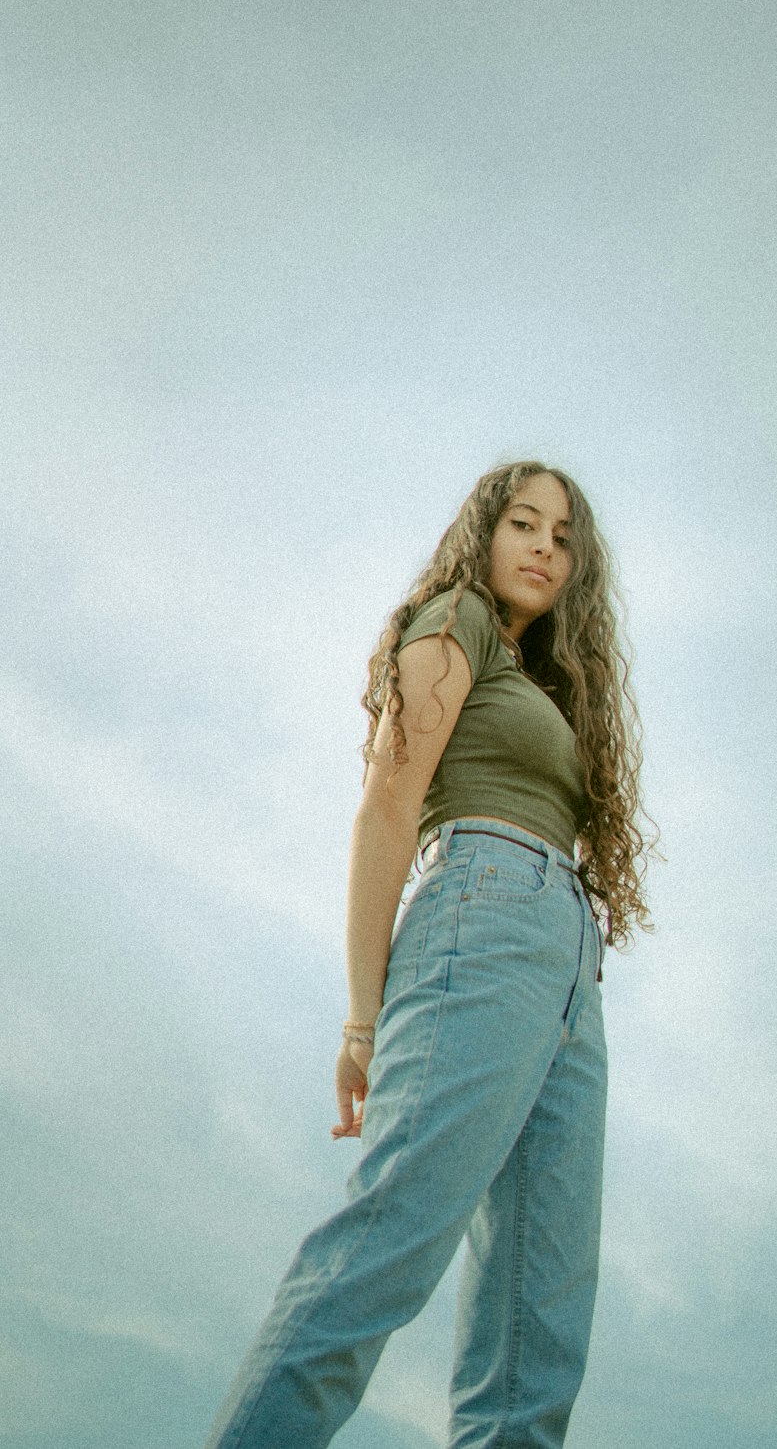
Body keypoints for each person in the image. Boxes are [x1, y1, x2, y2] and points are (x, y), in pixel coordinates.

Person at [203, 461, 654, 1449]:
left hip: (565, 962)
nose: (544, 547)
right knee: (386, 1246)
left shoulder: (544, 677)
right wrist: (359, 1021)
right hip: (483, 918)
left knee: (536, 1331)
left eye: (564, 536)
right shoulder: (455, 621)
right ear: (483, 535)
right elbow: (389, 807)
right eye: (523, 524)